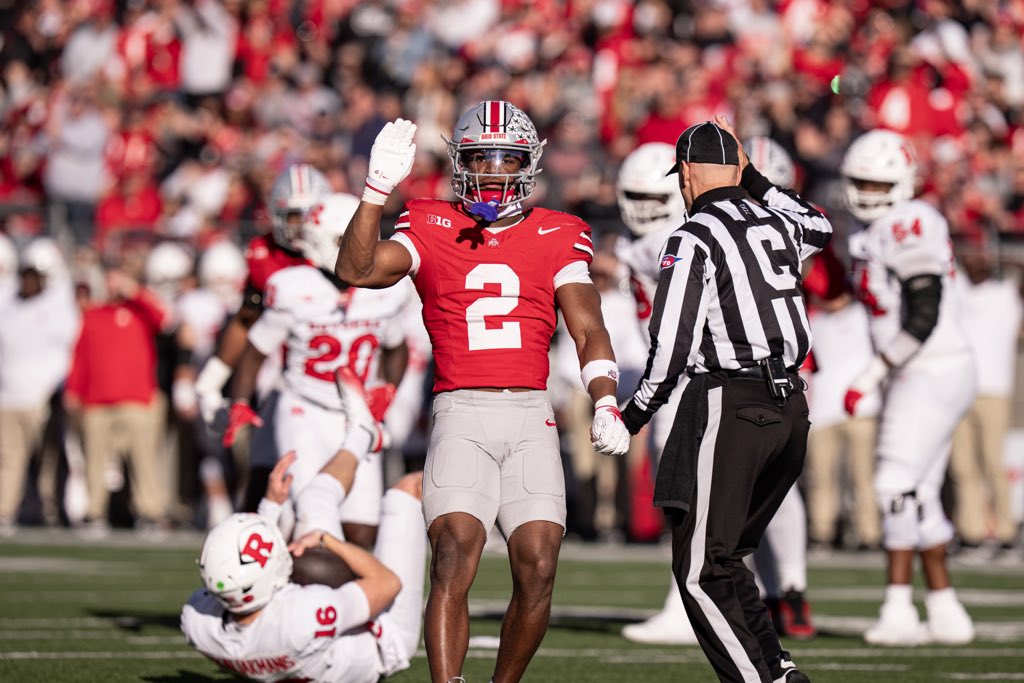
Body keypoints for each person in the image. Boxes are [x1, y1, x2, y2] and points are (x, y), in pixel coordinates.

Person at [335, 102, 629, 683]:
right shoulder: (429, 221)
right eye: (480, 158)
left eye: (506, 159)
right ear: (459, 163)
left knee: (539, 567)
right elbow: (356, 270)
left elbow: (588, 326)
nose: (493, 171)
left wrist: (604, 399)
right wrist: (374, 192)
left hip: (531, 415)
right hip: (461, 410)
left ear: (528, 164)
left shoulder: (559, 231)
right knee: (452, 555)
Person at [619, 118, 832, 683]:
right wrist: (753, 178)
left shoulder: (692, 236)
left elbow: (672, 344)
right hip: (791, 406)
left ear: (686, 174)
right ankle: (778, 671)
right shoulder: (778, 221)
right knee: (728, 557)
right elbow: (820, 226)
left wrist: (633, 415)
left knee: (699, 570)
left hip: (732, 400)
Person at [181, 370, 427, 683]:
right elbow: (388, 583)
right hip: (384, 638)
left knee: (314, 498)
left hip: (309, 638)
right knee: (408, 489)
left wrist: (271, 505)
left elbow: (248, 582)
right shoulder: (303, 618)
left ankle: (362, 432)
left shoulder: (200, 623)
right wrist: (327, 540)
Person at [841, 129, 976, 646]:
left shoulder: (909, 222)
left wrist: (871, 375)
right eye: (861, 183)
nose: (868, 193)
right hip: (922, 369)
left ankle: (898, 609)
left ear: (901, 184)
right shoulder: (871, 229)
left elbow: (923, 313)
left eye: (878, 184)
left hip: (929, 368)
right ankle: (946, 609)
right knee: (919, 491)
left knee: (892, 484)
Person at [224, 193, 410, 547]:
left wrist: (387, 388)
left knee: (362, 528)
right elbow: (255, 351)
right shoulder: (293, 287)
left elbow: (396, 346)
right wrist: (241, 401)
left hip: (358, 414)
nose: (357, 247)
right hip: (304, 409)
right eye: (345, 240)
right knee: (309, 515)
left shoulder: (384, 290)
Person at [193, 163, 327, 507]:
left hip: (331, 378)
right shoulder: (263, 253)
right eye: (293, 216)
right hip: (280, 381)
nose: (300, 226)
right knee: (263, 474)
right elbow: (246, 318)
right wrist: (212, 380)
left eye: (308, 216)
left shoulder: (340, 256)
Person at [0, 239, 79, 533]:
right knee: (9, 460)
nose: (28, 281)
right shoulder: (8, 303)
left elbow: (71, 351)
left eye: (35, 276)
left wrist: (61, 391)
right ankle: (6, 511)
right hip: (9, 398)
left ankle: (51, 509)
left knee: (49, 460)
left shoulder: (59, 306)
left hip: (44, 398)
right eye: (25, 275)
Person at [949, 249, 1022, 561]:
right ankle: (972, 534)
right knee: (963, 467)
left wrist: (997, 257)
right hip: (959, 389)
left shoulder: (1006, 293)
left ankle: (1006, 536)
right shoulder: (959, 291)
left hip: (994, 390)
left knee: (993, 463)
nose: (975, 260)